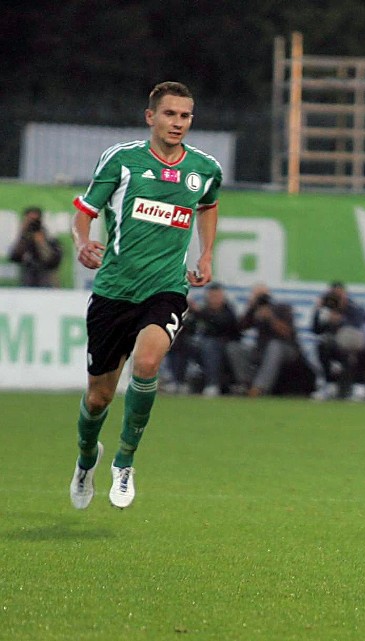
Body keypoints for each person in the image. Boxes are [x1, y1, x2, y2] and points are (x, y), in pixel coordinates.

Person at [69, 81, 222, 510]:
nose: (178, 123)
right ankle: (86, 459)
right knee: (98, 396)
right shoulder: (123, 161)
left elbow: (207, 206)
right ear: (150, 116)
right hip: (115, 291)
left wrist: (206, 254)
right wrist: (83, 241)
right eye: (170, 114)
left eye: (186, 116)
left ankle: (125, 461)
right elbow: (84, 211)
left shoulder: (205, 168)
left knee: (149, 360)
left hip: (166, 288)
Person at [227, 284, 302, 398]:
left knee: (274, 345)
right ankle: (245, 384)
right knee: (234, 347)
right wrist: (250, 308)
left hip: (286, 349)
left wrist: (271, 318)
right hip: (261, 350)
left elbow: (288, 333)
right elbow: (240, 328)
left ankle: (260, 388)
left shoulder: (281, 308)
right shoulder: (254, 310)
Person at [312, 281, 365, 400]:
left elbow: (358, 330)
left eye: (339, 295)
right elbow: (316, 330)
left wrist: (339, 321)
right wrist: (317, 312)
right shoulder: (326, 310)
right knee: (323, 345)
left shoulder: (354, 308)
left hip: (358, 347)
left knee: (356, 351)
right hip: (336, 347)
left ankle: (359, 386)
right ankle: (330, 385)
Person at [192, 282, 242, 396]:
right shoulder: (203, 310)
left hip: (226, 344)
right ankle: (179, 381)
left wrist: (199, 313)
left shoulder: (229, 311)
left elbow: (223, 324)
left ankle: (212, 384)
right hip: (203, 344)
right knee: (182, 345)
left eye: (217, 296)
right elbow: (191, 328)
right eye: (212, 296)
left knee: (210, 346)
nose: (214, 299)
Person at [8, 206, 63, 287]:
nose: (32, 224)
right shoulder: (24, 239)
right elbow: (14, 257)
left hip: (47, 281)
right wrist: (23, 234)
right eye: (30, 221)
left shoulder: (51, 240)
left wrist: (41, 243)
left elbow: (52, 261)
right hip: (27, 281)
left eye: (35, 221)